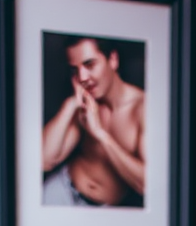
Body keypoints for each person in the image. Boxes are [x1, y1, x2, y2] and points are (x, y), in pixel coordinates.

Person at [42, 35, 145, 207]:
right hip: (60, 190)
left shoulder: (142, 108)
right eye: (75, 70)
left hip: (101, 214)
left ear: (113, 60)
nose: (82, 77)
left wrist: (100, 134)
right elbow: (45, 160)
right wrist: (71, 104)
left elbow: (146, 185)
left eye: (89, 64)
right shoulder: (86, 105)